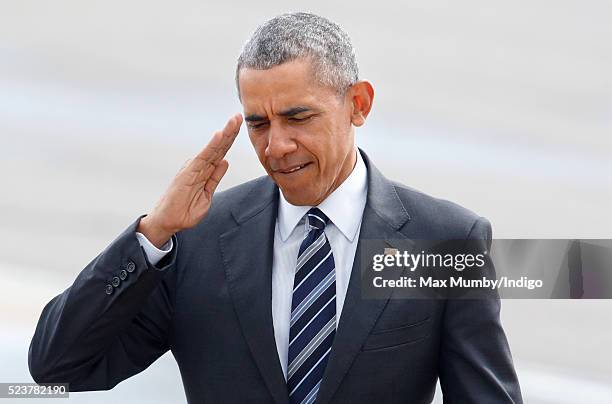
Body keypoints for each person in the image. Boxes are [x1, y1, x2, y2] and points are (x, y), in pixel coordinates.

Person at [29, 12, 522, 404]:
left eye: (297, 117)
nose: (277, 145)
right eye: (258, 124)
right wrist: (153, 233)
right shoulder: (198, 240)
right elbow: (58, 367)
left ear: (359, 104)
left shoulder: (445, 240)